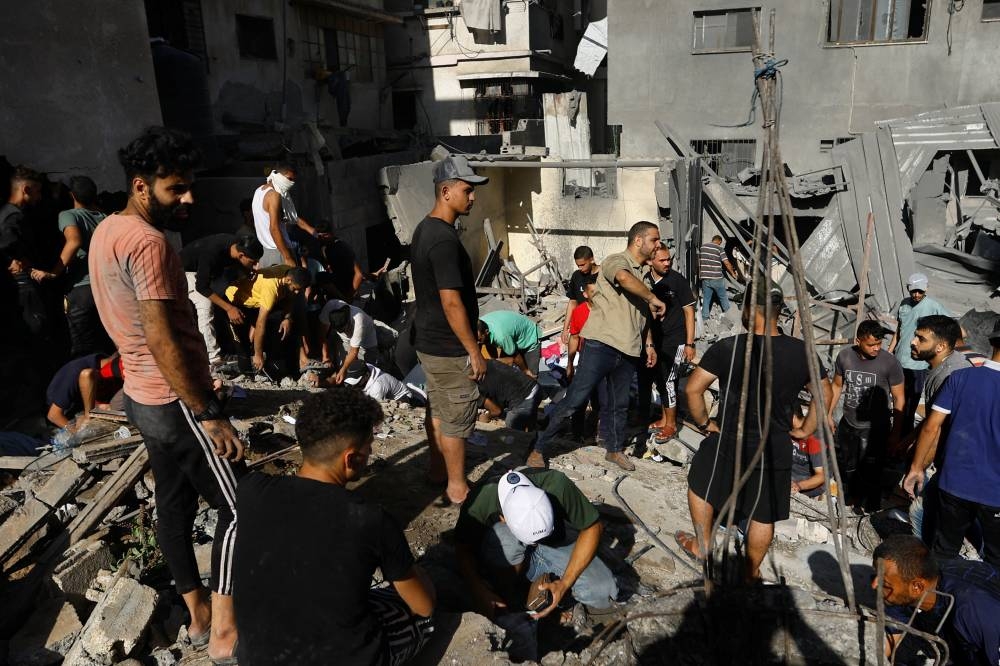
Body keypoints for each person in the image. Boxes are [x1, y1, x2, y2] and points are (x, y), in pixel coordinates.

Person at [89, 127, 244, 662]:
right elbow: (161, 338)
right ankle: (224, 629)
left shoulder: (107, 229)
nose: (189, 198)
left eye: (189, 186)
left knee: (174, 506)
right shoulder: (148, 243)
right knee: (240, 508)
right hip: (175, 401)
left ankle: (197, 614)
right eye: (176, 188)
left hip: (141, 396)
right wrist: (208, 411)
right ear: (141, 185)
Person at [233, 388, 435, 665]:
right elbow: (423, 606)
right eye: (369, 445)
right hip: (344, 657)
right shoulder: (369, 518)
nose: (371, 451)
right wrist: (421, 576)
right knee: (423, 610)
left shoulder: (251, 490)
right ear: (351, 458)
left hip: (256, 656)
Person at [677, 280, 826, 580]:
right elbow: (825, 394)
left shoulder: (729, 347)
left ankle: (703, 546)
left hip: (730, 437)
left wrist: (705, 424)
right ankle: (750, 571)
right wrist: (806, 429)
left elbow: (693, 389)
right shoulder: (802, 352)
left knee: (700, 483)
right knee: (763, 512)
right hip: (774, 444)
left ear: (750, 310)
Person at [528, 221, 666, 472]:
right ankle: (539, 448)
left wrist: (649, 344)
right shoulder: (617, 261)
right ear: (638, 241)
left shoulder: (645, 274)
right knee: (575, 399)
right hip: (601, 345)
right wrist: (652, 297)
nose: (658, 244)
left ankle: (614, 450)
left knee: (618, 404)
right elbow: (623, 278)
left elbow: (643, 313)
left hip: (628, 349)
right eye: (654, 239)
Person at [410, 156, 488, 505]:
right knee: (456, 414)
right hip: (448, 346)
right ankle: (457, 488)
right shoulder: (442, 240)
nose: (473, 197)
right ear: (446, 191)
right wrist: (473, 350)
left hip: (429, 341)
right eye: (467, 190)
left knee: (439, 410)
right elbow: (451, 302)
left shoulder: (424, 228)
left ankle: (437, 471)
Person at [454, 468, 617, 621]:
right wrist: (478, 589)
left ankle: (546, 594)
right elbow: (462, 549)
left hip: (554, 544)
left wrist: (564, 583)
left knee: (601, 589)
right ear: (503, 517)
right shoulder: (480, 500)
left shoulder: (557, 485)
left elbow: (593, 527)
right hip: (509, 549)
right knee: (505, 539)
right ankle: (511, 595)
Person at [903, 320, 1000, 569]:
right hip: (995, 493)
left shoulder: (960, 377)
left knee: (943, 554)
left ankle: (939, 591)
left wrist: (916, 468)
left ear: (992, 342)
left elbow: (931, 426)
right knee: (995, 562)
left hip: (954, 484)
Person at [872, 535, 1000, 666]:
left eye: (884, 582)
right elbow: (893, 634)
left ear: (917, 587)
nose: (874, 584)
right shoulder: (909, 581)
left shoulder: (973, 612)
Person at [904, 315, 970, 544]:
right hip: (959, 462)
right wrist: (909, 440)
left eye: (921, 339)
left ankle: (924, 559)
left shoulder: (948, 374)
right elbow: (932, 418)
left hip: (957, 463)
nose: (913, 342)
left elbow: (936, 429)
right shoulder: (946, 366)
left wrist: (917, 468)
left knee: (920, 512)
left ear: (940, 346)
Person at [827, 320, 905, 509]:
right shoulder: (845, 356)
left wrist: (895, 433)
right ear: (858, 341)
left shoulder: (889, 363)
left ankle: (871, 506)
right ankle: (850, 500)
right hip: (849, 423)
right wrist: (828, 414)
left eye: (879, 343)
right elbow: (836, 386)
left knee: (872, 470)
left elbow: (899, 398)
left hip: (875, 429)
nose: (876, 348)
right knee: (848, 465)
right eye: (871, 344)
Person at [30, 175, 109, 356]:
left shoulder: (68, 215)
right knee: (107, 344)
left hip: (82, 290)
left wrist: (53, 272)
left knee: (83, 350)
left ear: (72, 195)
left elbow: (74, 241)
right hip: (107, 288)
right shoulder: (105, 217)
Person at [637, 242, 696, 439]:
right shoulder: (645, 281)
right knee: (660, 379)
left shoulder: (677, 281)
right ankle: (664, 419)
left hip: (676, 339)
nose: (667, 263)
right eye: (662, 260)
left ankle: (671, 424)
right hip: (655, 341)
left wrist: (689, 344)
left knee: (669, 380)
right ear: (650, 261)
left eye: (668, 259)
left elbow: (689, 312)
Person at [180, 233, 263, 366]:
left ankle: (234, 350)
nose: (256, 265)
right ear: (241, 255)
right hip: (185, 271)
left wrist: (248, 274)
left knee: (227, 298)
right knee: (206, 305)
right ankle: (213, 359)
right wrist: (229, 308)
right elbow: (201, 287)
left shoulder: (237, 245)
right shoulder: (212, 252)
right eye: (253, 262)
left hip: (209, 273)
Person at [888, 273, 950, 434]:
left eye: (920, 291)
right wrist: (889, 352)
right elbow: (899, 331)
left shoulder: (933, 306)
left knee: (910, 406)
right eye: (913, 291)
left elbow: (951, 328)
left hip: (917, 365)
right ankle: (895, 433)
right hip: (899, 361)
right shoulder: (904, 304)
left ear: (926, 289)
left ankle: (903, 437)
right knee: (897, 401)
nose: (916, 294)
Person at [225, 267, 312, 373]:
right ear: (288, 280)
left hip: (259, 303)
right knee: (242, 344)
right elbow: (260, 323)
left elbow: (290, 299)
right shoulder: (271, 288)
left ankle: (275, 367)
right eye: (295, 289)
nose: (297, 292)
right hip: (237, 301)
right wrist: (258, 354)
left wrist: (287, 318)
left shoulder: (289, 273)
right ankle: (247, 372)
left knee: (283, 327)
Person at [251, 163, 326, 268]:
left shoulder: (259, 191)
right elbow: (274, 228)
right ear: (278, 175)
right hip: (279, 253)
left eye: (293, 180)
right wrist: (287, 257)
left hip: (267, 253)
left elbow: (292, 218)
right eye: (289, 179)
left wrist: (314, 232)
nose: (291, 183)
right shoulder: (274, 195)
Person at [1, 166, 47, 338]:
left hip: (20, 282)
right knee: (35, 328)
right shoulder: (13, 216)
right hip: (22, 282)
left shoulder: (9, 213)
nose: (39, 197)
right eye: (37, 191)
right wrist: (15, 260)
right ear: (26, 189)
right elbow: (7, 243)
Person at [45, 353, 124, 427]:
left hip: (87, 406)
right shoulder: (73, 374)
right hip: (66, 416)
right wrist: (76, 432)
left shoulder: (100, 361)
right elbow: (53, 415)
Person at [319, 298, 381, 381]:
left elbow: (354, 352)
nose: (344, 331)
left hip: (367, 343)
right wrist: (325, 356)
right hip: (345, 341)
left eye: (344, 329)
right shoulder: (330, 306)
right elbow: (322, 333)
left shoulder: (359, 320)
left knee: (368, 372)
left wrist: (343, 369)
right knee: (344, 370)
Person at [477, 359, 542, 431]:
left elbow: (497, 411)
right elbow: (510, 360)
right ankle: (532, 428)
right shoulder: (485, 362)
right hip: (534, 387)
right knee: (529, 423)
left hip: (526, 396)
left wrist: (486, 417)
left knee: (511, 428)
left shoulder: (474, 391)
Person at [477, 310, 542, 378]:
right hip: (510, 335)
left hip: (529, 338)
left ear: (486, 332)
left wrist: (525, 370)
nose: (477, 342)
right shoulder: (479, 325)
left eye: (479, 340)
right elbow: (487, 345)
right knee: (502, 368)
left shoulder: (501, 337)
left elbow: (515, 356)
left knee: (531, 376)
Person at [560, 246, 600, 344]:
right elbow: (573, 302)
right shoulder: (576, 276)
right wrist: (565, 329)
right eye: (578, 265)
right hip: (582, 326)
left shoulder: (603, 275)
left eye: (582, 265)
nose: (580, 268)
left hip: (600, 326)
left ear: (591, 259)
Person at [698, 234, 738, 321]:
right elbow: (726, 263)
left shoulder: (703, 247)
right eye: (720, 243)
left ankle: (704, 318)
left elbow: (699, 261)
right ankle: (728, 315)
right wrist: (733, 274)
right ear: (719, 241)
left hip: (705, 278)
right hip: (716, 278)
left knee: (706, 298)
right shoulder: (719, 249)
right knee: (723, 297)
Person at [790, 408, 825, 499]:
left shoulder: (814, 438)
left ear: (793, 417)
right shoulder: (788, 429)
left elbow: (821, 476)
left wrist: (798, 486)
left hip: (805, 478)